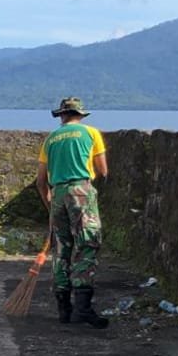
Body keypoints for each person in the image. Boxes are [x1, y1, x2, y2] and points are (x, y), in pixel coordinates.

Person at [35, 97, 109, 328]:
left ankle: (64, 309)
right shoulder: (91, 133)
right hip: (80, 190)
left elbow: (40, 181)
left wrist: (50, 204)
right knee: (87, 244)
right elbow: (103, 170)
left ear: (62, 115)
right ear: (80, 114)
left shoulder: (51, 139)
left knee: (61, 248)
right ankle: (83, 308)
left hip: (57, 193)